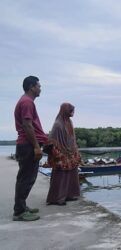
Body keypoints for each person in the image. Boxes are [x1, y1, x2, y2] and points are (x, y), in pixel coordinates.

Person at [13, 76, 48, 221]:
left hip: (26, 144)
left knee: (27, 178)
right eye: (38, 86)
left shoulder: (25, 101)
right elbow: (27, 126)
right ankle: (19, 212)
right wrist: (36, 147)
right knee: (26, 179)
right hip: (27, 145)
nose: (40, 88)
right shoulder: (27, 102)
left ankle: (21, 206)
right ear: (31, 87)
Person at [46, 103, 81, 205]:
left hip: (71, 154)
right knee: (61, 176)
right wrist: (57, 153)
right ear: (65, 110)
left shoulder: (69, 122)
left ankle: (69, 195)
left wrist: (75, 151)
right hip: (61, 154)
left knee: (72, 175)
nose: (72, 113)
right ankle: (57, 198)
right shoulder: (58, 124)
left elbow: (72, 139)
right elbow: (52, 140)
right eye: (71, 110)